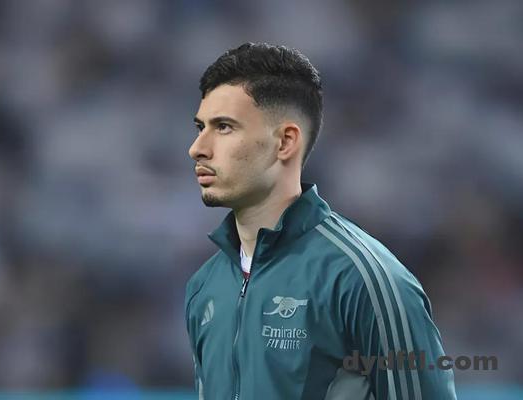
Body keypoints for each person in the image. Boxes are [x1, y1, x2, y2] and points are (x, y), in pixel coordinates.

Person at [184, 42, 456, 399]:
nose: (197, 148)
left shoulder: (362, 278)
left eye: (224, 127)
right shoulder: (204, 285)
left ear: (285, 142)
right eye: (200, 127)